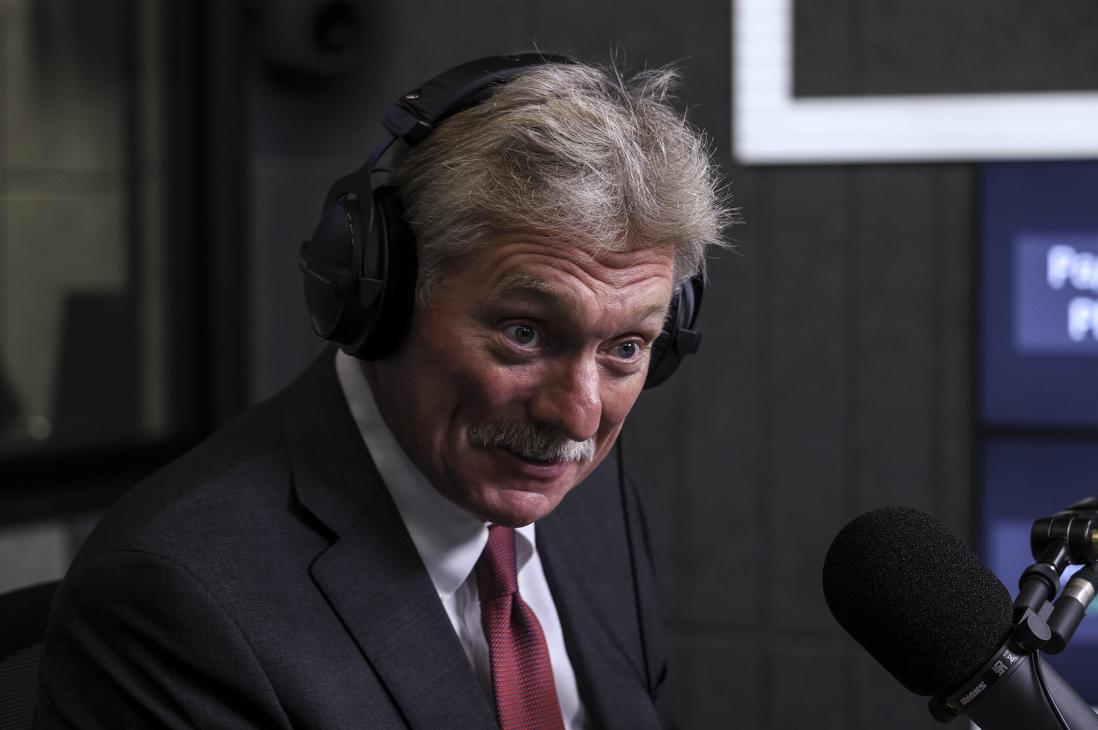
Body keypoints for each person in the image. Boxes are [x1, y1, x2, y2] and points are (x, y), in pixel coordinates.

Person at [35, 53, 730, 729]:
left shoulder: (594, 503)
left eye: (626, 348)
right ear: (384, 294)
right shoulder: (174, 597)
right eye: (524, 333)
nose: (577, 416)